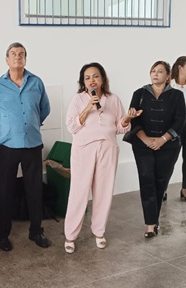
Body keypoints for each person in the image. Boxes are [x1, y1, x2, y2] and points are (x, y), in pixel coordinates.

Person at [63, 63, 140, 253]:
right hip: (83, 149)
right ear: (83, 81)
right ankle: (70, 235)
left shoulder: (113, 99)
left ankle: (99, 232)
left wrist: (128, 118)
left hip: (108, 148)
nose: (92, 80)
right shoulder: (78, 100)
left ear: (103, 79)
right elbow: (72, 127)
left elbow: (121, 127)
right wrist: (89, 106)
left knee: (104, 192)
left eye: (95, 76)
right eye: (87, 77)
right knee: (79, 192)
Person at [0, 42, 51, 251]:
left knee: (34, 190)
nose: (18, 57)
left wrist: (30, 125)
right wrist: (8, 127)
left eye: (21, 54)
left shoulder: (36, 82)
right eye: (13, 54)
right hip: (7, 146)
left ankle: (36, 231)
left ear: (26, 59)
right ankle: (2, 234)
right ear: (6, 59)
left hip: (32, 144)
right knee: (6, 190)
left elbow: (44, 109)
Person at [128, 61, 186, 238]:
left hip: (168, 146)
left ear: (168, 76)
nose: (155, 74)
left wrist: (162, 139)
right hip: (142, 145)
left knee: (160, 182)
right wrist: (146, 140)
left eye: (160, 71)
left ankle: (154, 219)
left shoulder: (177, 95)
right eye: (153, 71)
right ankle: (150, 225)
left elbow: (180, 120)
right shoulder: (139, 94)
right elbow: (134, 120)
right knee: (146, 180)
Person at [169, 56, 186, 202]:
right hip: (172, 126)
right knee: (169, 158)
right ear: (180, 67)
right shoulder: (169, 85)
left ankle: (185, 188)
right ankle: (164, 187)